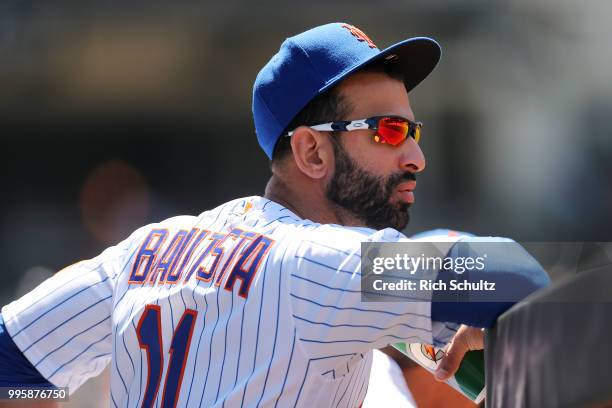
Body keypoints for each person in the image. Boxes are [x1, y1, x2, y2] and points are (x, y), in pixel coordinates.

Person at [0, 22, 549, 407]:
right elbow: (510, 275)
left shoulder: (144, 251)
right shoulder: (318, 265)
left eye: (414, 131)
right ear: (311, 152)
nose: (415, 156)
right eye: (388, 131)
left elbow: (13, 359)